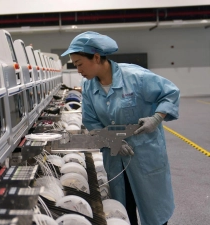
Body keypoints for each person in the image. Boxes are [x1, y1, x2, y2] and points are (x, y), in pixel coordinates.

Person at [61, 31, 180, 225]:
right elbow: (91, 122)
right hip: (115, 157)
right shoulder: (89, 88)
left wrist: (157, 118)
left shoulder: (135, 77)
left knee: (154, 209)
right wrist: (112, 141)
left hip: (144, 154)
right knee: (122, 210)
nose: (78, 70)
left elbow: (171, 93)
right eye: (75, 65)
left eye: (79, 64)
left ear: (97, 57)